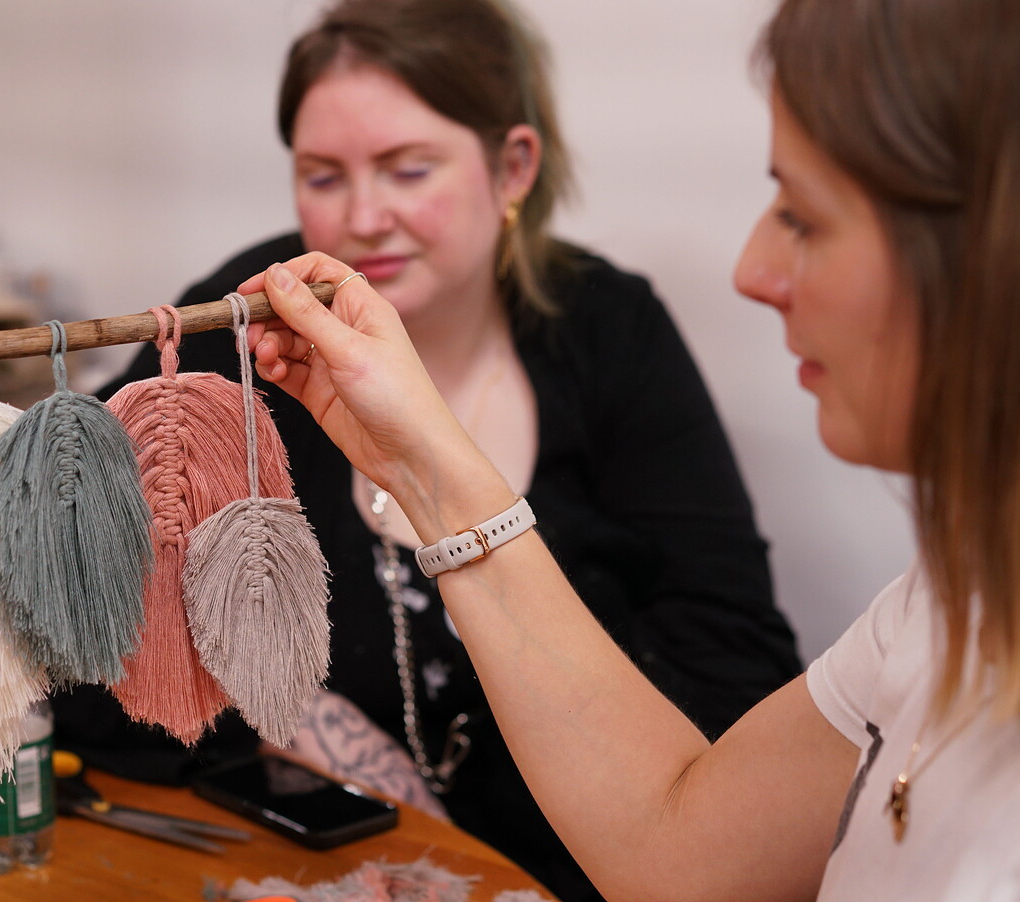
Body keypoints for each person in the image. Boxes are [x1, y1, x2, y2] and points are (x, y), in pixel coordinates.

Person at [234, 0, 1020, 897]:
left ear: (1016, 258)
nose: (753, 270)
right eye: (323, 174)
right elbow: (683, 848)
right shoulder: (955, 602)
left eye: (801, 215)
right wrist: (421, 463)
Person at [53, 0, 800, 897]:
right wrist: (293, 723)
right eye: (324, 177)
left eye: (409, 170)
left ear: (511, 166)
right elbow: (67, 614)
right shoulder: (242, 326)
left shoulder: (610, 333)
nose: (366, 216)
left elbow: (742, 685)